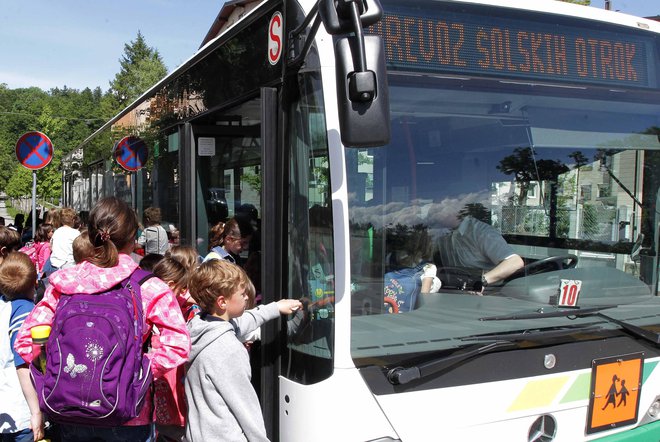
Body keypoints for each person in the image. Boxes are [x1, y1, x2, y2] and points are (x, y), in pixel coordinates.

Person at [14, 196, 191, 442]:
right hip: (128, 413)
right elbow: (178, 345)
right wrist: (141, 371)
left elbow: (25, 343)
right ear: (132, 239)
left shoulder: (64, 283)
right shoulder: (147, 286)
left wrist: (50, 374)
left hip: (67, 411)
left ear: (92, 233)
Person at [184, 259, 301, 442]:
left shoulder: (199, 327)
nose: (247, 297)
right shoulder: (228, 350)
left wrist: (276, 307)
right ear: (222, 302)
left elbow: (243, 321)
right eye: (242, 293)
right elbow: (246, 409)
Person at [0, 252, 45, 442]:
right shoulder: (24, 311)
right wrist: (36, 412)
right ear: (35, 282)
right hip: (21, 408)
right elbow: (23, 363)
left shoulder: (3, 306)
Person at [434, 215, 524, 291]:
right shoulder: (442, 233)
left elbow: (515, 262)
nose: (436, 214)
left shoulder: (481, 232)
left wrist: (480, 282)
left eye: (440, 208)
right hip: (450, 292)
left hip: (487, 296)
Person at [48, 207, 81, 272]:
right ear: (73, 220)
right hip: (69, 266)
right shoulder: (76, 233)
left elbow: (51, 246)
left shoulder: (57, 231)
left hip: (54, 264)